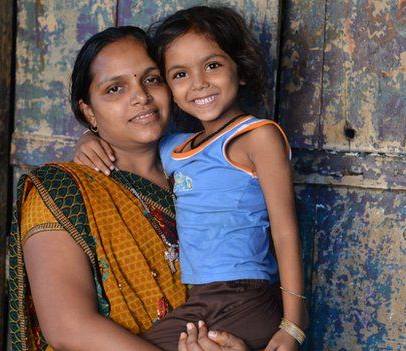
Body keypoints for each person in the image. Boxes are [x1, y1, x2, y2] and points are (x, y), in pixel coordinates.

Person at [74, 6, 308, 351]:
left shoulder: (257, 137)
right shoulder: (176, 149)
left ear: (239, 69)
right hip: (205, 300)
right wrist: (87, 138)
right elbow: (130, 144)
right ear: (169, 87)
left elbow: (286, 232)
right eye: (180, 74)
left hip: (243, 297)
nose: (199, 83)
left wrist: (293, 326)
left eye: (212, 66)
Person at [8, 26, 248, 351]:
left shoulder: (208, 173)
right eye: (115, 89)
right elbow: (68, 327)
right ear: (88, 111)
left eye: (151, 79)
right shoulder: (63, 191)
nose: (140, 96)